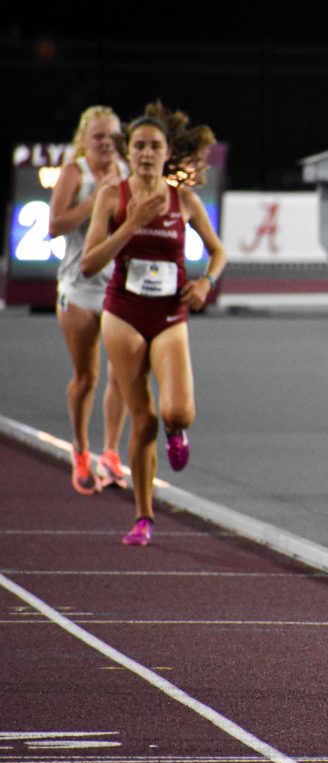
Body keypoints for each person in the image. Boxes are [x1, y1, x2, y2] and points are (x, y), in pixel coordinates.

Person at [81, 103, 225, 547]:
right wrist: (132, 225)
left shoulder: (184, 199)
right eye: (139, 145)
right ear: (129, 151)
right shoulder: (112, 196)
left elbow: (219, 252)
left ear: (166, 153)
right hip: (123, 313)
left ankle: (177, 431)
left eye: (154, 146)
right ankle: (144, 516)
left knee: (177, 411)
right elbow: (90, 264)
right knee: (142, 422)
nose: (146, 153)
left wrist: (206, 283)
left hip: (169, 315)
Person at [48, 106, 130, 494]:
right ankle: (80, 451)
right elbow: (55, 225)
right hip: (79, 287)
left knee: (124, 375)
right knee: (87, 377)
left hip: (119, 286)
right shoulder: (75, 173)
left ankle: (111, 454)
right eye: (97, 136)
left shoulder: (129, 172)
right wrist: (96, 200)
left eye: (112, 136)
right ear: (84, 139)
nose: (105, 144)